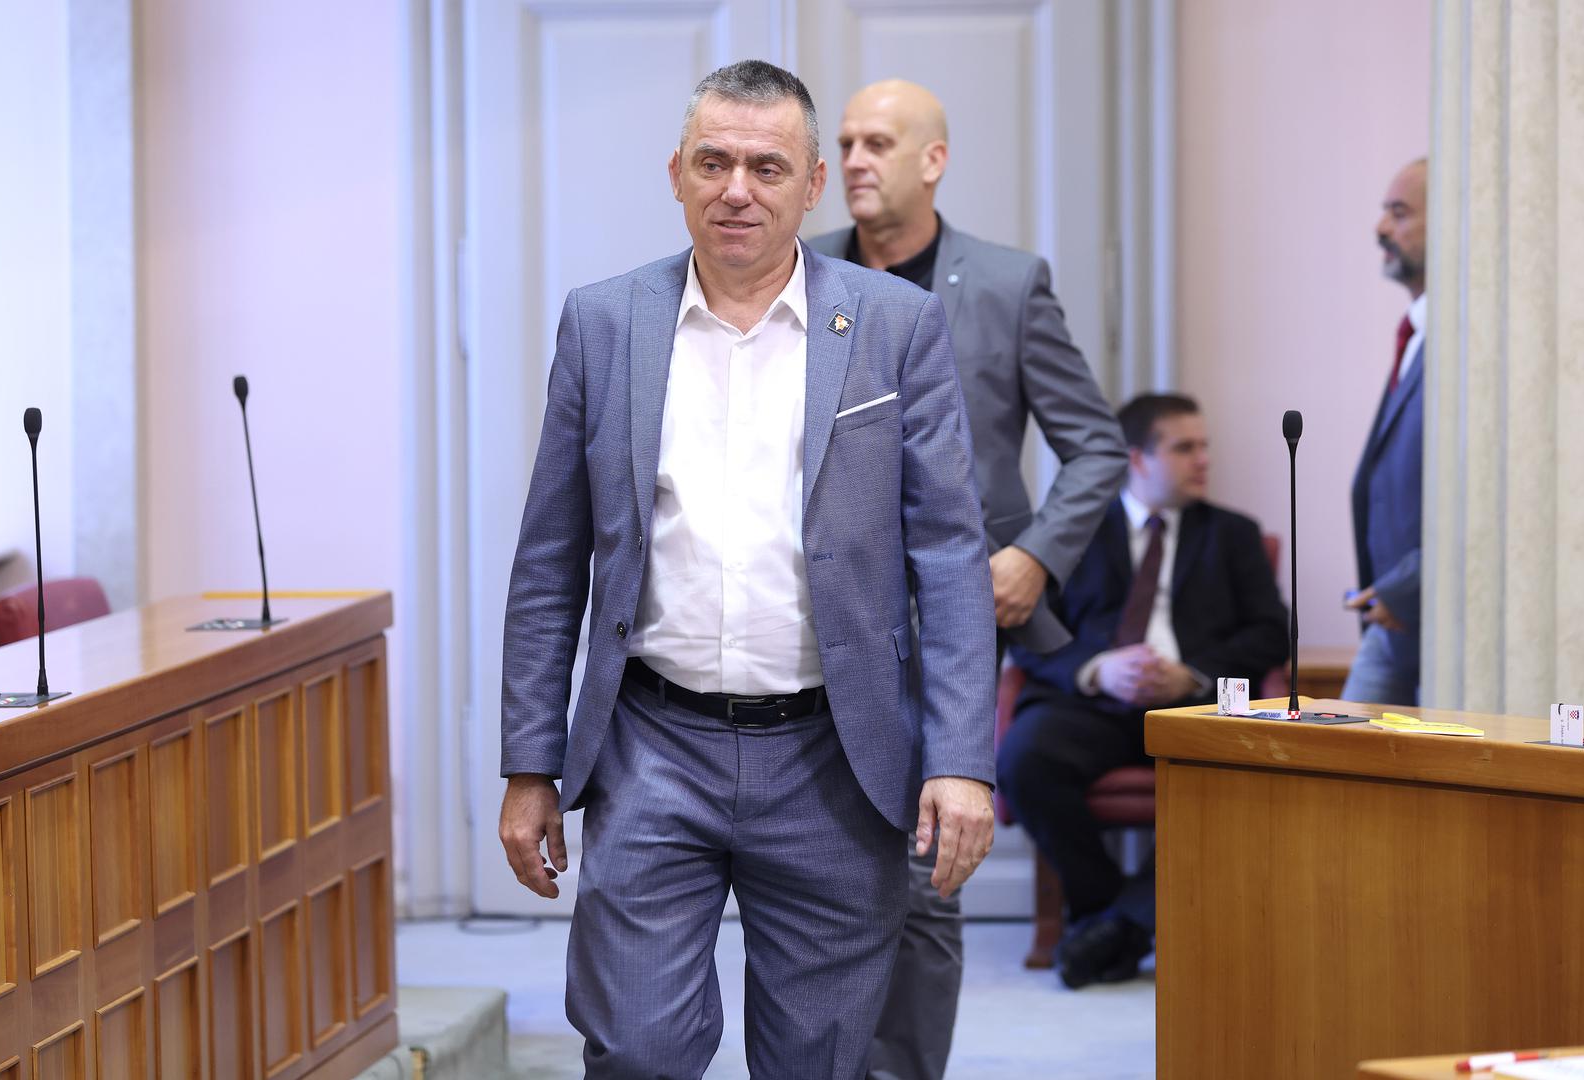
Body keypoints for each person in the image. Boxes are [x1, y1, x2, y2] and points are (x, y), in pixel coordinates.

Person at [496, 60, 998, 1079]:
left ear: (811, 185)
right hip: (651, 747)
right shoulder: (603, 323)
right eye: (713, 162)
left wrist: (959, 760)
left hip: (833, 757)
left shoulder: (893, 325)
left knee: (818, 1058)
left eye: (767, 168)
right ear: (675, 173)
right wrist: (528, 763)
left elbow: (949, 556)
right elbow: (549, 561)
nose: (737, 190)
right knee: (635, 1049)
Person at [806, 79, 1124, 1079]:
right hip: (818, 617)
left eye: (878, 143)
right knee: (817, 872)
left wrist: (1033, 554)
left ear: (932, 160)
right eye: (845, 143)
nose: (854, 161)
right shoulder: (801, 273)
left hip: (950, 616)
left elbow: (1095, 447)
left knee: (921, 869)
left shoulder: (1006, 284)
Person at [998, 394, 1288, 989]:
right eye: (1184, 448)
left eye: (1204, 446)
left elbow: (1270, 634)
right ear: (1136, 459)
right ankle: (1113, 913)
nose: (1203, 460)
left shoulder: (1233, 535)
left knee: (1238, 773)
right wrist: (1097, 669)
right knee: (1025, 760)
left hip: (1198, 704)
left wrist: (1192, 673)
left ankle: (1115, 929)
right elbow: (1030, 631)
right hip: (1091, 706)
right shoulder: (1074, 533)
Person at [1342, 157, 1427, 706]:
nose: (1380, 228)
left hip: (1436, 612)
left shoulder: (1473, 336)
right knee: (1338, 754)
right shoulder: (1418, 333)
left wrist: (1410, 586)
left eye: (1399, 213)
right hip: (1393, 622)